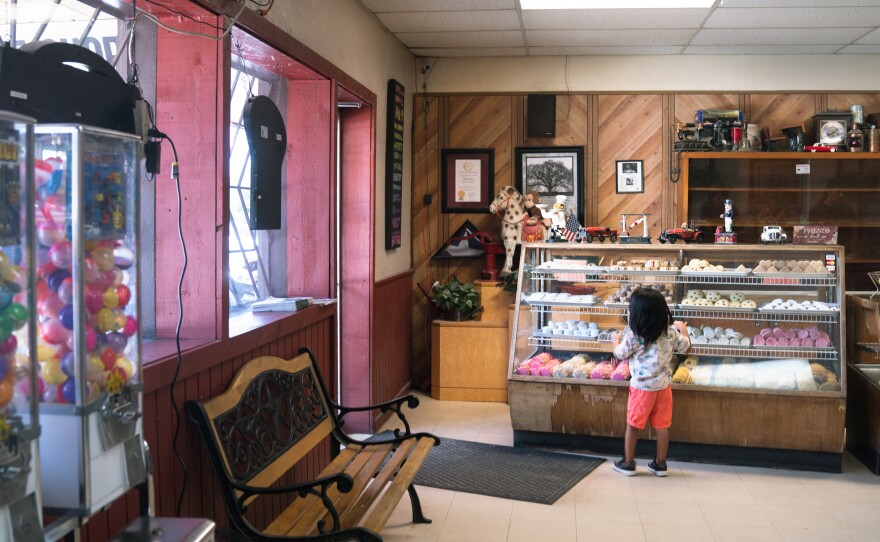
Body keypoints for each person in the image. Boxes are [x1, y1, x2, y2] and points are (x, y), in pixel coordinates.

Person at [611, 288, 690, 477]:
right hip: (663, 387)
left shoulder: (634, 333)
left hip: (641, 389)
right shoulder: (669, 332)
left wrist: (615, 340)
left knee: (633, 425)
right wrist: (684, 328)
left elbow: (620, 354)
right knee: (662, 427)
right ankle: (660, 464)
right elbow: (685, 347)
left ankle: (628, 463)